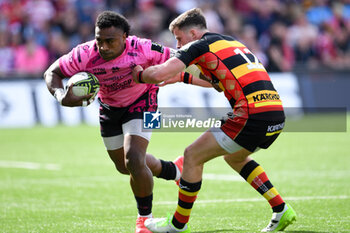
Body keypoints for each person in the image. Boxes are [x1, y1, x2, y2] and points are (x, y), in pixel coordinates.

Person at [132, 8, 297, 233]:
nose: (179, 46)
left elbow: (160, 73)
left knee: (192, 156)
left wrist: (139, 74)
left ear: (192, 33)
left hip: (251, 115)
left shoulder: (197, 46)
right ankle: (281, 209)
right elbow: (214, 83)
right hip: (275, 113)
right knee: (235, 157)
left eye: (179, 39)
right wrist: (182, 77)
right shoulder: (230, 43)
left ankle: (178, 225)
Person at [43, 11, 184, 233]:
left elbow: (181, 57)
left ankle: (144, 220)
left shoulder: (143, 47)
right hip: (109, 107)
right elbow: (52, 73)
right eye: (100, 41)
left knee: (134, 159)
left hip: (146, 100)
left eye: (110, 41)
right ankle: (174, 169)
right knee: (124, 166)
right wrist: (61, 97)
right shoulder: (84, 54)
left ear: (125, 37)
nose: (104, 47)